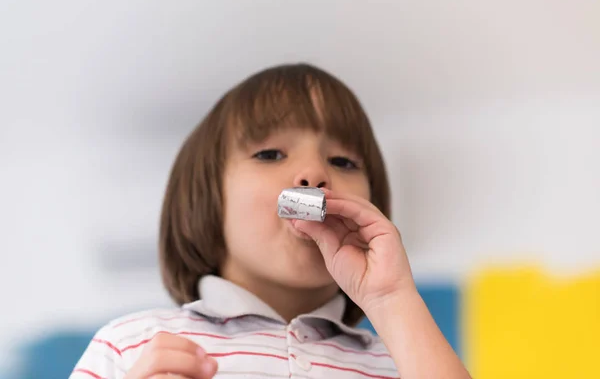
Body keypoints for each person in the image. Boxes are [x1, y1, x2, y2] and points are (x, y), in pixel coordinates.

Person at [69, 63, 471, 379]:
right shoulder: (131, 346)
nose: (314, 174)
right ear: (208, 201)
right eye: (270, 154)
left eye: (343, 161)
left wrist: (391, 298)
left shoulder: (404, 361)